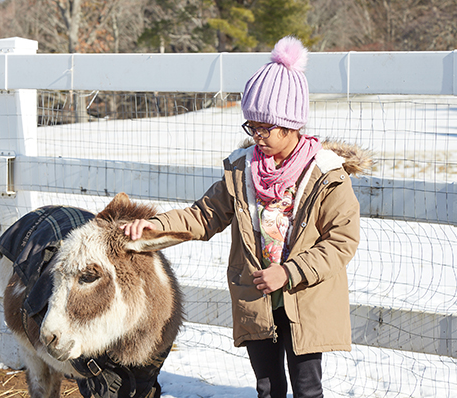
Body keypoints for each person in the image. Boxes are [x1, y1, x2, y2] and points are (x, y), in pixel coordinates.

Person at [121, 36, 370, 398]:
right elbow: (203, 216)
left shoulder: (326, 174)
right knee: (267, 388)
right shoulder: (242, 171)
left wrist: (288, 272)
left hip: (306, 296)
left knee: (307, 387)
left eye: (264, 128)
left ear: (289, 125)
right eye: (250, 127)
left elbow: (342, 241)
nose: (256, 136)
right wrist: (154, 225)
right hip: (257, 298)